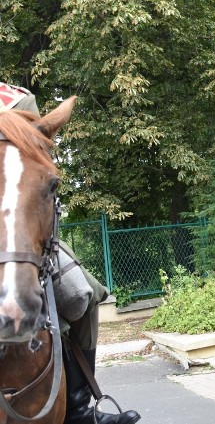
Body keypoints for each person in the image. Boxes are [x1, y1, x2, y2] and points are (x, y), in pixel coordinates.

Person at [0, 83, 141, 424]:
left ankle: (79, 407)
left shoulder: (16, 98)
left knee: (81, 291)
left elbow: (32, 158)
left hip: (21, 227)